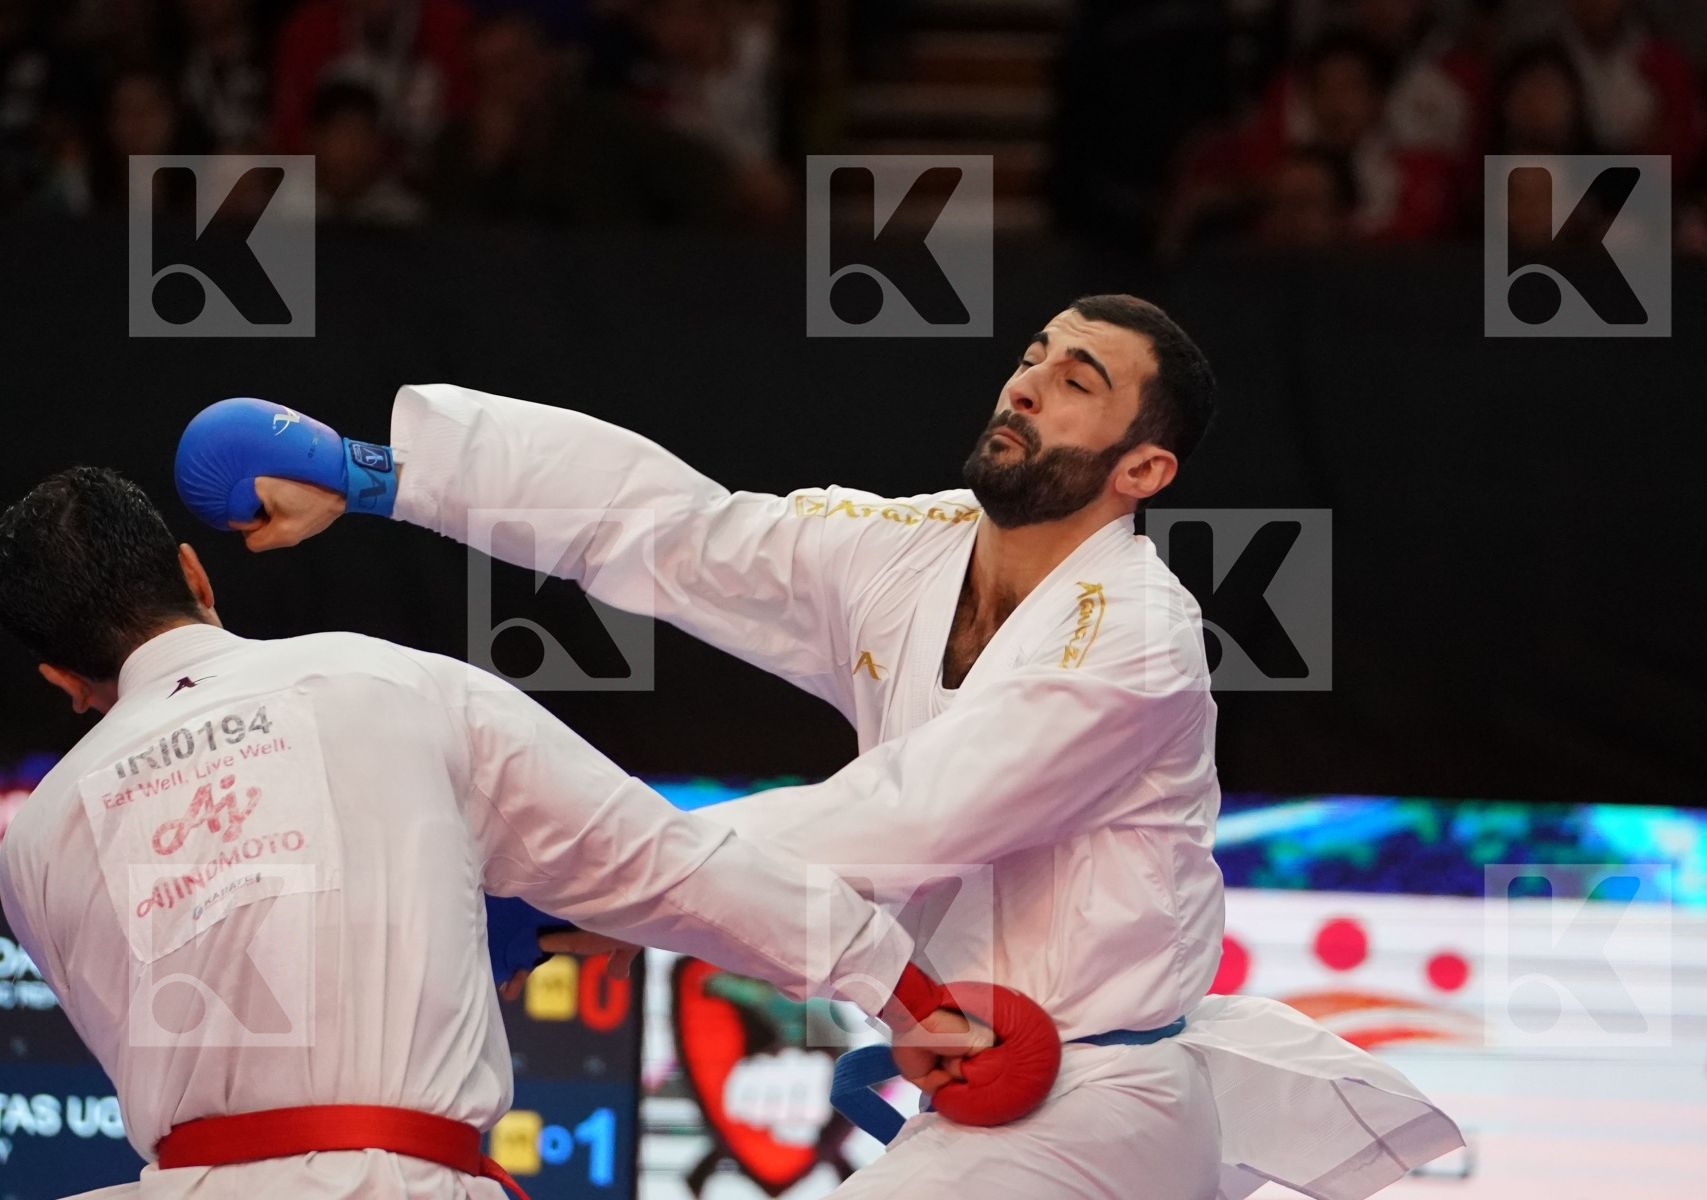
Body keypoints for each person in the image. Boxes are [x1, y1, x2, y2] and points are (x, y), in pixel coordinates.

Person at [181, 293, 1464, 1198]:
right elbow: (678, 531)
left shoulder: (1134, 636)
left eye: (1079, 381)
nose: (1028, 379)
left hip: (1100, 1103)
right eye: (1035, 353)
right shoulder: (910, 544)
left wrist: (595, 884)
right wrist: (380, 472)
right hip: (992, 1095)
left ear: (1143, 468)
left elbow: (915, 812)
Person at [0, 466, 1024, 1199]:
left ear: (57, 678)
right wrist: (908, 993)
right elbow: (669, 867)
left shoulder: (33, 841)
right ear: (196, 571)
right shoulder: (393, 680)